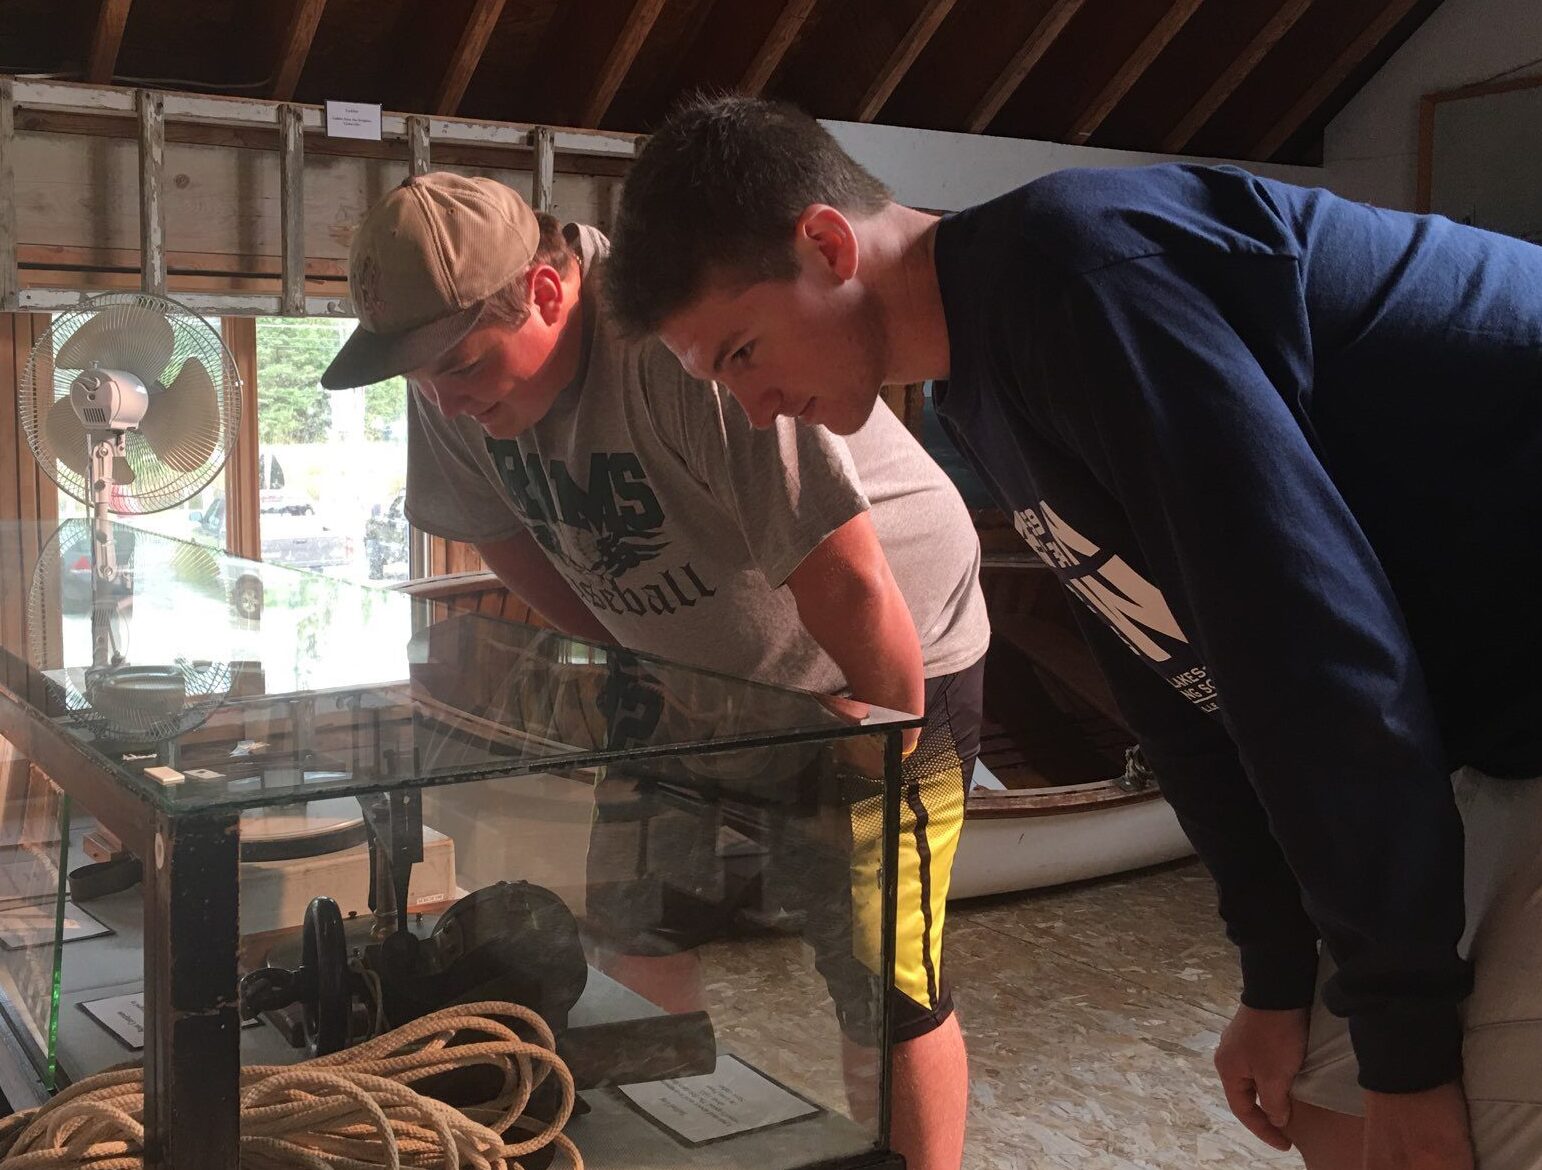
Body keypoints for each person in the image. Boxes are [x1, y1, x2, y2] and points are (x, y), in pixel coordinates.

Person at [602, 95, 1542, 1170]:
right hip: (1479, 709)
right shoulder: (978, 389)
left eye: (740, 353)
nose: (754, 405)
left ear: (826, 244)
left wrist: (1411, 1059)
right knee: (1334, 1104)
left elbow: (1315, 656)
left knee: (1477, 1124)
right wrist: (1277, 981)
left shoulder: (1076, 279)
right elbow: (1177, 682)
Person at [319, 171, 991, 1170]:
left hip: (885, 646)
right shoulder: (448, 380)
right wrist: (634, 658)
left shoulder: (676, 348)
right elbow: (497, 535)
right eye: (420, 376)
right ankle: (650, 1151)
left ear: (546, 295)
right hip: (696, 662)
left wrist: (875, 754)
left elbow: (854, 585)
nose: (446, 401)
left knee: (881, 975)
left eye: (459, 366)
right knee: (634, 925)